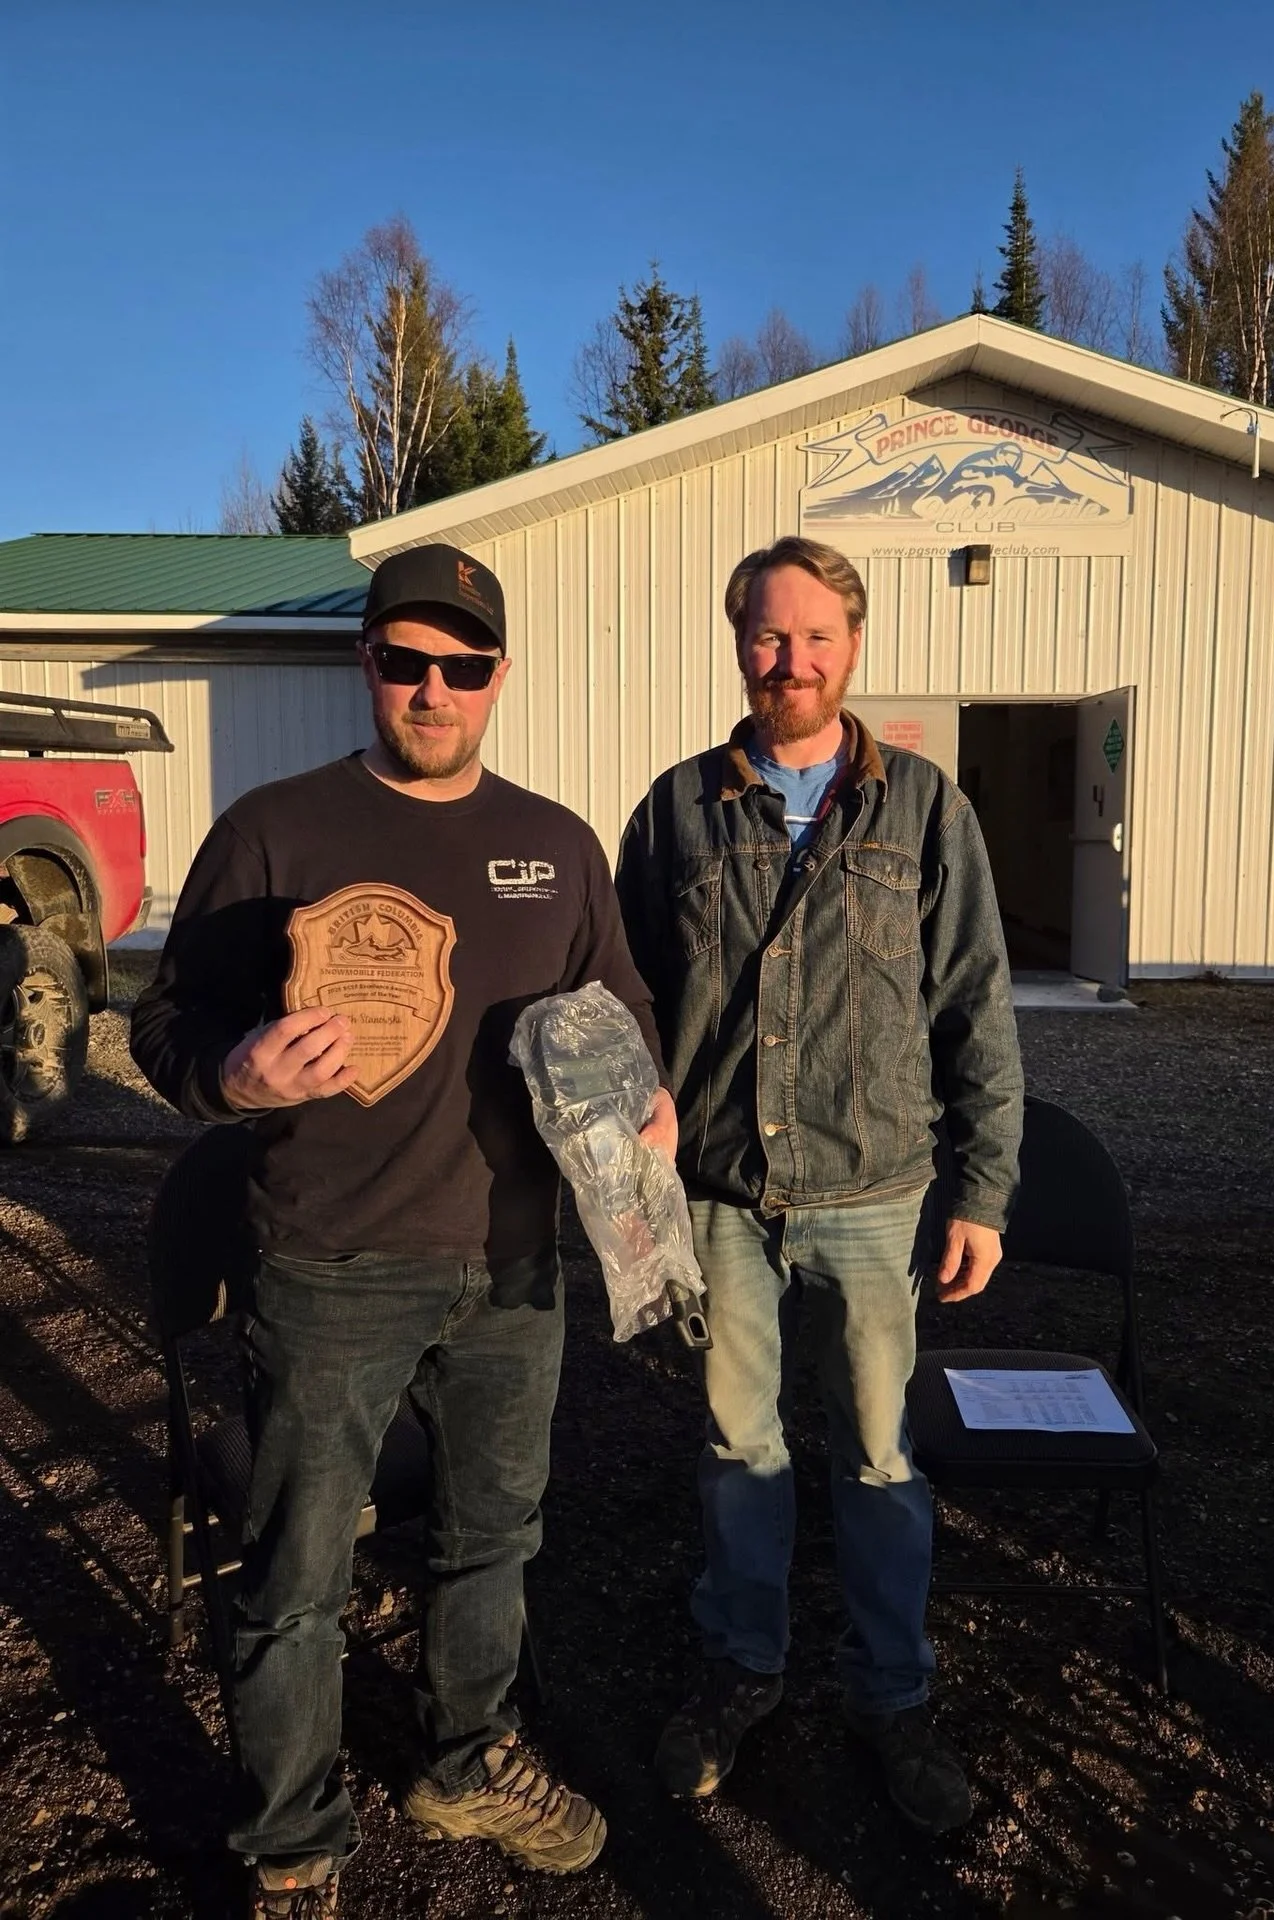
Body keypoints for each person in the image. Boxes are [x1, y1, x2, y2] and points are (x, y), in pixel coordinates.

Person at [132, 543, 676, 1919]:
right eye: (405, 660)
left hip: (512, 1267)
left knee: (492, 1541)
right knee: (299, 1577)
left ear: (498, 674)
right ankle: (292, 1840)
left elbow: (617, 1014)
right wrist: (236, 1075)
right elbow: (165, 1026)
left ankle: (462, 1756)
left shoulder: (556, 846)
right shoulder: (273, 834)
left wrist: (643, 1102)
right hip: (329, 1265)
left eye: (464, 665)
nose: (433, 689)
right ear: (365, 663)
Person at [615, 534, 1023, 1834]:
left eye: (814, 637)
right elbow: (623, 1010)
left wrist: (985, 1192)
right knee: (739, 1448)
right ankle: (743, 1669)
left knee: (880, 1457)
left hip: (873, 1193)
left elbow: (977, 1008)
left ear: (853, 646)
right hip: (723, 1200)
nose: (789, 660)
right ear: (737, 642)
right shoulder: (677, 811)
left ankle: (892, 1694)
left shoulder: (925, 808)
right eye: (766, 635)